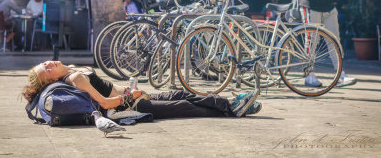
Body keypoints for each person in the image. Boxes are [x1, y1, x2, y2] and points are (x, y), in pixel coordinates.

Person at [22, 61, 262, 119]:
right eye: (47, 71)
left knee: (179, 93)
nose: (49, 65)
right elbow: (105, 104)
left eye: (45, 64)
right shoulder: (74, 78)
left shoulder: (75, 67)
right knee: (184, 107)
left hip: (131, 96)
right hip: (127, 107)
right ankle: (232, 107)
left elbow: (108, 86)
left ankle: (231, 104)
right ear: (50, 80)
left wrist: (129, 88)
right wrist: (129, 96)